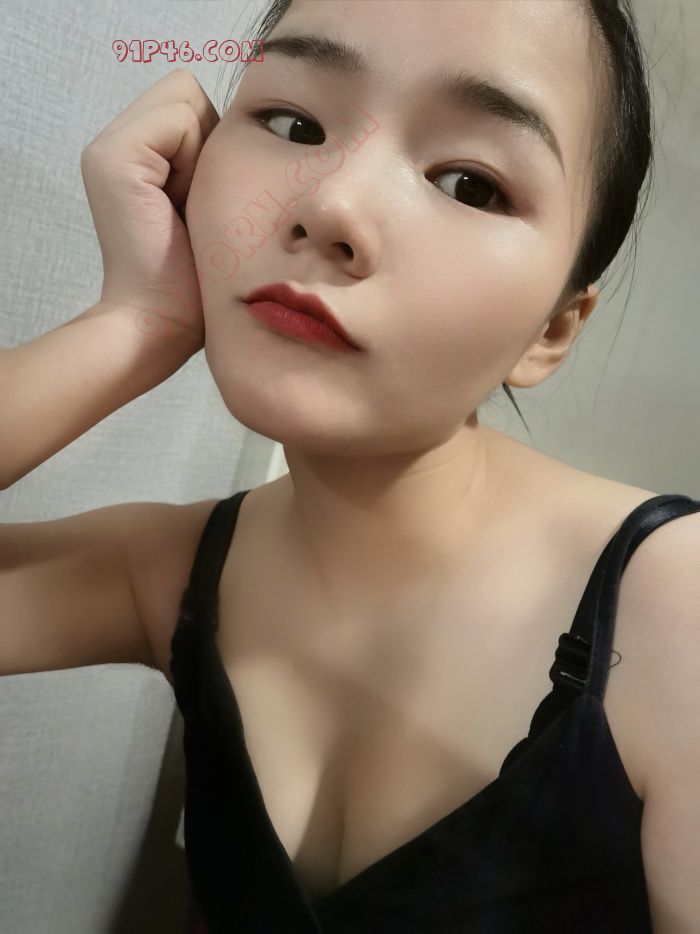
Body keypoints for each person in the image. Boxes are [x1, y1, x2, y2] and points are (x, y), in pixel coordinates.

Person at [2, 1, 699, 931]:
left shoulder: (677, 609)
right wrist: (130, 325)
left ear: (553, 328)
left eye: (470, 183)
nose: (331, 206)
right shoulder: (169, 573)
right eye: (295, 124)